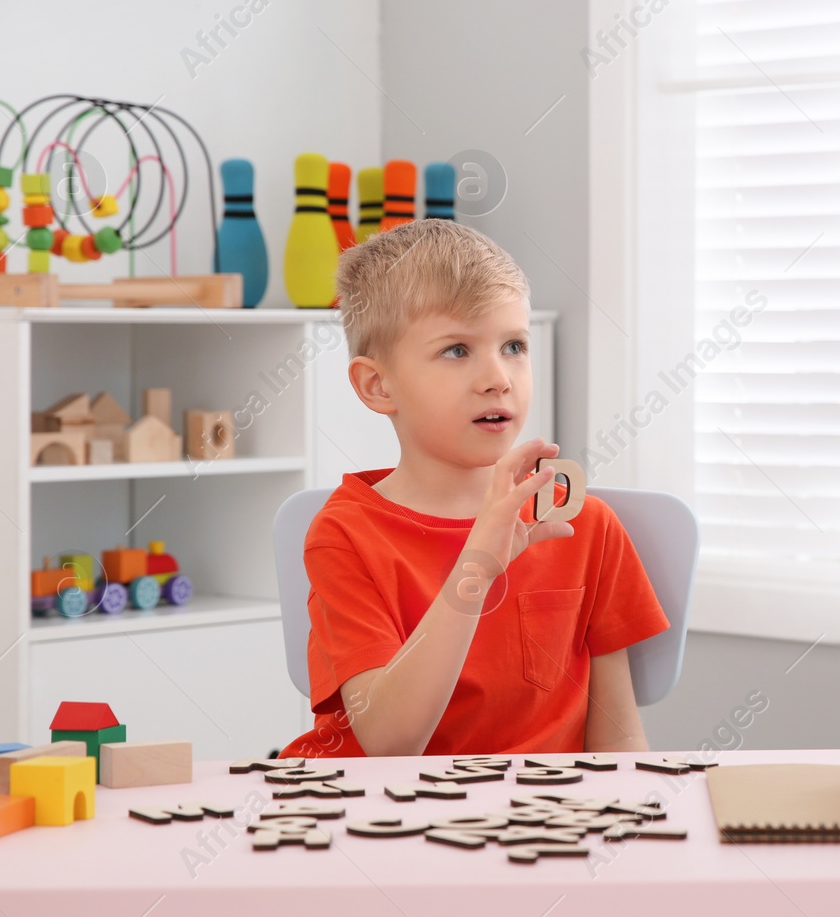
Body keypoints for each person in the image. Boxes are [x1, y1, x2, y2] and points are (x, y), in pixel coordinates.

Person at [281, 219, 669, 758]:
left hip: (530, 824)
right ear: (378, 385)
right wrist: (478, 567)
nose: (499, 377)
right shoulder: (345, 534)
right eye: (457, 350)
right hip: (371, 815)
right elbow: (389, 743)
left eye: (514, 345)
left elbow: (618, 739)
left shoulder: (584, 525)